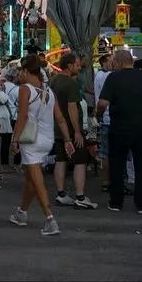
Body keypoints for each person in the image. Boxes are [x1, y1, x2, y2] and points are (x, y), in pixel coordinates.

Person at [9, 55, 75, 236]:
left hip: (30, 140)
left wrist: (14, 140)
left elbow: (22, 117)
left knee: (37, 181)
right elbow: (60, 119)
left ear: (26, 71)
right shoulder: (48, 91)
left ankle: (50, 219)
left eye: (20, 71)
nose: (19, 75)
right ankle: (21, 213)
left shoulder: (25, 89)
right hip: (47, 140)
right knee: (32, 179)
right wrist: (68, 139)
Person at [49, 53, 97, 209]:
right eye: (77, 64)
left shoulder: (54, 81)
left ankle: (61, 193)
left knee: (60, 159)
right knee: (80, 161)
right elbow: (72, 109)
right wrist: (76, 131)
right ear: (69, 66)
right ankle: (80, 196)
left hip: (56, 127)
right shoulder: (71, 84)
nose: (79, 66)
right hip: (70, 128)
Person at [96, 49, 142, 213]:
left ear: (120, 63)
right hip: (140, 129)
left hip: (119, 128)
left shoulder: (113, 78)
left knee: (117, 165)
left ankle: (116, 202)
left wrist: (98, 115)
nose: (112, 63)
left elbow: (102, 103)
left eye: (114, 60)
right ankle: (140, 203)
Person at [94, 54, 116, 193]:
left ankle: (106, 181)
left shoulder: (98, 76)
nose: (113, 63)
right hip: (111, 118)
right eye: (111, 61)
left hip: (105, 118)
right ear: (103, 63)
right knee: (112, 153)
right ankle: (112, 180)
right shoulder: (108, 76)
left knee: (105, 153)